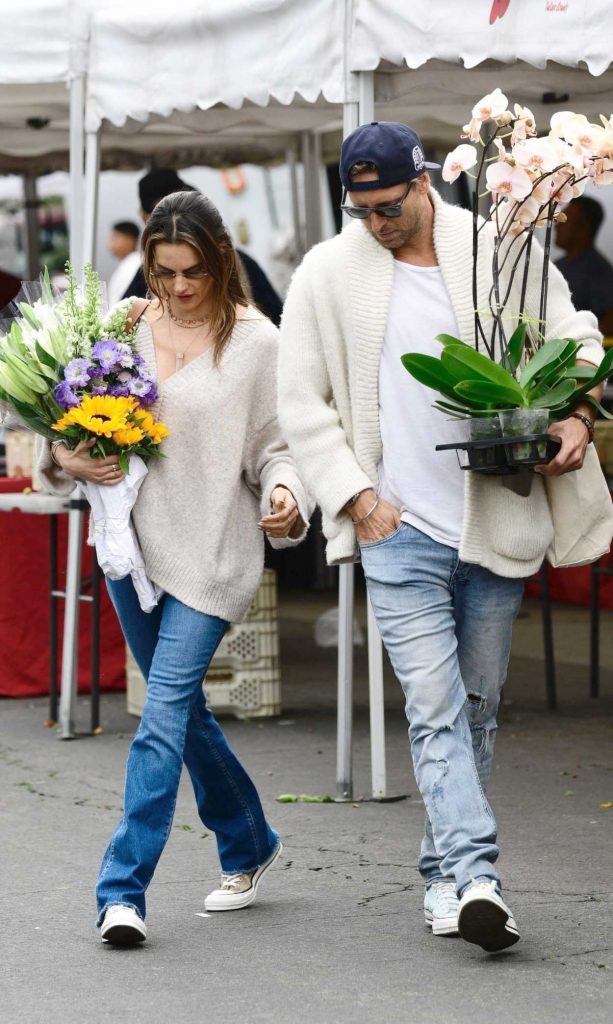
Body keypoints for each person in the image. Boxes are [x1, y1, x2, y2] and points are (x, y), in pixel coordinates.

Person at [278, 121, 604, 954]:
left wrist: (573, 412)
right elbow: (301, 402)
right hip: (395, 530)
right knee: (432, 711)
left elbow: (576, 334)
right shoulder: (325, 273)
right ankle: (478, 876)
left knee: (477, 707)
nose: (378, 223)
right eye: (362, 210)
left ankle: (439, 877)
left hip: (493, 514)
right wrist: (355, 499)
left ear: (423, 180)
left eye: (389, 205)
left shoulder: (499, 243)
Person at [38, 190, 311, 946]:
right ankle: (250, 842)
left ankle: (121, 891)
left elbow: (276, 446)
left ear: (220, 260)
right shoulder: (122, 326)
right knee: (181, 710)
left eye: (192, 271)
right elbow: (65, 423)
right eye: (163, 272)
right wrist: (64, 455)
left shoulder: (259, 342)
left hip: (215, 555)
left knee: (158, 720)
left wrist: (287, 491)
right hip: (131, 553)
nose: (179, 287)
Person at [123, 168, 284, 325]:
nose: (180, 287)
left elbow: (278, 322)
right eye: (167, 273)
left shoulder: (241, 264)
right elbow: (119, 328)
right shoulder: (146, 275)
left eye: (195, 271)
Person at [555, 195, 613, 336]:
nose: (557, 226)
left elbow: (610, 322)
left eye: (564, 220)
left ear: (583, 227)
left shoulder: (598, 270)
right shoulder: (556, 266)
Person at [106, 221, 141, 305]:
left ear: (130, 240)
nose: (110, 243)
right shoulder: (128, 263)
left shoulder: (135, 264)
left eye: (115, 238)